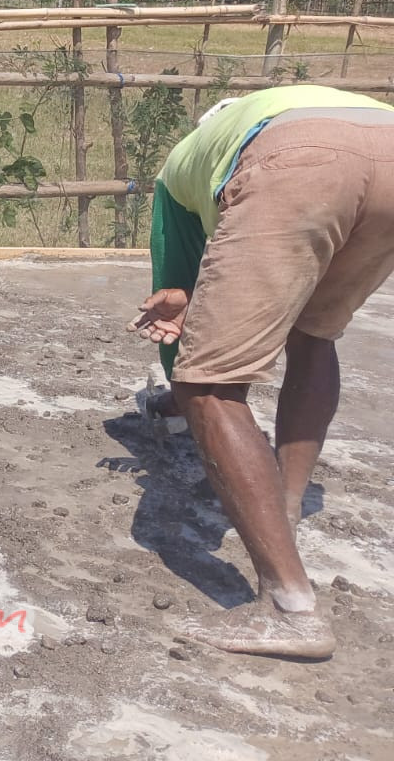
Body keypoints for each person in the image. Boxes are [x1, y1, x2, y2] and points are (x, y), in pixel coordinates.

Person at [133, 84, 394, 660]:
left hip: (301, 163)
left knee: (207, 383)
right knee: (315, 334)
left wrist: (184, 388)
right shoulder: (289, 101)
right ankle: (287, 503)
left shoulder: (185, 163)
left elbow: (178, 305)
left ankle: (289, 609)